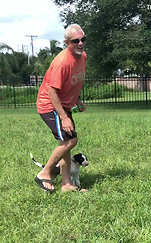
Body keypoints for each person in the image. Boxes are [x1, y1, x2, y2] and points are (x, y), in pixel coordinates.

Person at [34, 24, 88, 192]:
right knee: (71, 140)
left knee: (65, 142)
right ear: (67, 42)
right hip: (50, 104)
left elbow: (73, 81)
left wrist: (77, 99)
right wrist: (64, 117)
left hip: (64, 104)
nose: (80, 43)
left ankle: (66, 184)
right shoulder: (61, 62)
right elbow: (52, 92)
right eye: (75, 41)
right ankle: (45, 173)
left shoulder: (82, 56)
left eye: (83, 39)